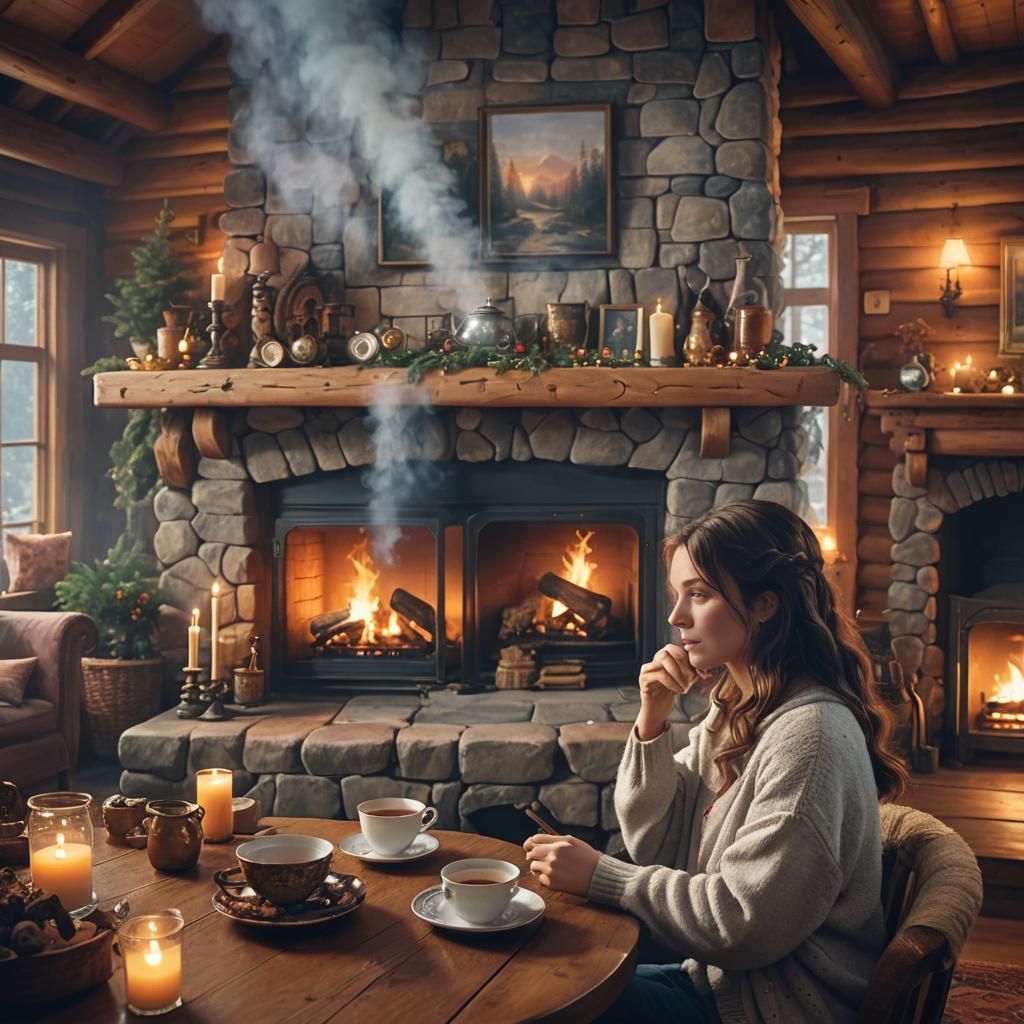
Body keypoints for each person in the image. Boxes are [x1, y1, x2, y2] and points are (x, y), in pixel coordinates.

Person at [524, 499, 908, 1023]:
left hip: (769, 1007)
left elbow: (743, 923)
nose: (675, 617)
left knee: (538, 1005)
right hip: (716, 977)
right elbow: (658, 842)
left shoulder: (809, 738)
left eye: (699, 594)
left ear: (765, 604)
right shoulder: (739, 703)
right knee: (541, 976)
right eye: (676, 595)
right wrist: (652, 719)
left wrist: (605, 878)